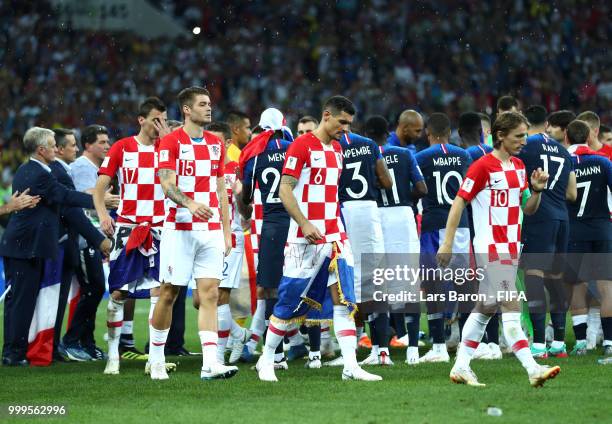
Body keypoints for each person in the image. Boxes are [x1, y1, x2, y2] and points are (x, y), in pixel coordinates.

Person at [256, 95, 381, 382]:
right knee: (288, 301)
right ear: (327, 115)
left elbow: (329, 195)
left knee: (343, 301)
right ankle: (267, 360)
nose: (346, 129)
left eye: (349, 124)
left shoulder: (337, 149)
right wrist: (304, 223)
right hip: (304, 239)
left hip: (335, 237)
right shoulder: (301, 145)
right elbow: (285, 190)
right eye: (342, 122)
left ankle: (350, 365)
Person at [438, 112, 560, 387]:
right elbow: (459, 203)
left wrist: (537, 191)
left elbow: (526, 209)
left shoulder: (518, 166)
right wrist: (447, 242)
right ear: (500, 135)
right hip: (490, 247)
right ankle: (532, 368)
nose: (523, 142)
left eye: (525, 136)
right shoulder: (482, 167)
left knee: (485, 308)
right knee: (511, 305)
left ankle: (460, 367)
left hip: (510, 246)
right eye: (518, 137)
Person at [150, 86, 238, 380]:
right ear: (187, 110)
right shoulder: (171, 142)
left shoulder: (216, 143)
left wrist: (227, 232)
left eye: (209, 103)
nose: (209, 108)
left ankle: (210, 363)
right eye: (202, 104)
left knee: (210, 294)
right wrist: (190, 202)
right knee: (168, 293)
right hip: (179, 229)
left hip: (211, 230)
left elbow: (222, 189)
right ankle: (157, 358)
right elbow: (167, 184)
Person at [0, 127, 101, 366]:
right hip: (26, 246)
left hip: (20, 244)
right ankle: (14, 354)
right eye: (52, 144)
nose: (56, 148)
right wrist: (98, 200)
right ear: (41, 149)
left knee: (17, 300)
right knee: (23, 300)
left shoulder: (27, 169)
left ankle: (12, 351)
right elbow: (64, 196)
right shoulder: (40, 174)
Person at [93, 97, 173, 375]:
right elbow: (99, 188)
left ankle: (154, 356)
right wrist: (103, 215)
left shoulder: (168, 147)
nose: (160, 125)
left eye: (164, 120)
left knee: (159, 291)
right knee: (118, 291)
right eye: (155, 120)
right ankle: (113, 354)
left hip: (160, 229)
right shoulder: (122, 147)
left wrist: (168, 138)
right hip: (127, 227)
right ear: (141, 120)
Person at [238, 109, 301, 366]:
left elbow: (246, 198)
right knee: (301, 283)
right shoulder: (294, 147)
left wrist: (245, 209)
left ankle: (275, 354)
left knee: (269, 288)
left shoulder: (254, 155)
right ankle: (313, 345)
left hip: (272, 225)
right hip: (298, 221)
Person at [51, 128, 114, 362]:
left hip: (91, 237)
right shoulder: (80, 168)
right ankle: (72, 340)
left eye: (108, 141)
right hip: (82, 238)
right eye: (102, 142)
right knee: (94, 287)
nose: (108, 146)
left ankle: (86, 343)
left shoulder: (94, 169)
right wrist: (101, 200)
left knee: (94, 288)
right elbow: (74, 201)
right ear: (88, 145)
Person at [367, 115, 427, 365]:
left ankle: (380, 351)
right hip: (403, 218)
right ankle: (413, 349)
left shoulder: (366, 156)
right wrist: (406, 198)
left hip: (377, 217)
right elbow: (423, 189)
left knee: (377, 284)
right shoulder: (404, 154)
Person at [416, 113, 475, 363]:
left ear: (428, 134)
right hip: (460, 226)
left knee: (433, 287)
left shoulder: (421, 157)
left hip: (433, 224)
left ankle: (439, 347)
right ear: (449, 132)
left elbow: (416, 189)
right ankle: (465, 343)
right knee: (463, 286)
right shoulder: (464, 156)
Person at [518, 116, 576, 358]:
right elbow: (572, 193)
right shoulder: (563, 151)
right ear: (546, 123)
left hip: (539, 216)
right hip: (562, 218)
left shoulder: (526, 146)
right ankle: (559, 343)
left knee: (534, 276)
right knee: (556, 279)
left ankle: (539, 344)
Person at [339, 126, 392, 366]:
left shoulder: (332, 145)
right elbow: (387, 181)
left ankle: (348, 350)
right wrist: (373, 182)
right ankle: (381, 352)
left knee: (346, 281)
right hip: (369, 212)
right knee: (376, 281)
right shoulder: (369, 144)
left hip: (343, 212)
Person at [199, 121, 251, 365]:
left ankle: (216, 357)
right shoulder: (201, 169)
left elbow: (245, 206)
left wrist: (242, 195)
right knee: (200, 300)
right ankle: (239, 334)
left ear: (228, 143)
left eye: (218, 141)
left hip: (229, 238)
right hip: (204, 236)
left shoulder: (235, 169)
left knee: (219, 296)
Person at [561, 120, 612, 362]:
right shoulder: (603, 161)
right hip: (602, 230)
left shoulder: (564, 162)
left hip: (575, 231)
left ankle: (581, 343)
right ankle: (610, 342)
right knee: (606, 287)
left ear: (567, 138)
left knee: (577, 287)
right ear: (589, 137)